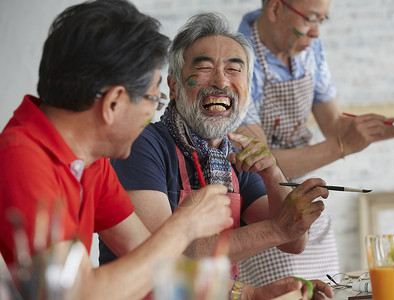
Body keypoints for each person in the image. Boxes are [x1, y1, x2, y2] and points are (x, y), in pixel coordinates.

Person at [0, 1, 235, 299]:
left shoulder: (90, 160)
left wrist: (246, 294)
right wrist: (184, 227)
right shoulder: (21, 159)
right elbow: (75, 294)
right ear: (114, 103)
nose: (154, 111)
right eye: (154, 99)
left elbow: (151, 261)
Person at [99, 12, 334, 299]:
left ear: (248, 89)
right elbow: (166, 255)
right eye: (206, 67)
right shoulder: (143, 145)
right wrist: (276, 230)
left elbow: (293, 242)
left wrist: (272, 171)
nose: (221, 82)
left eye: (234, 70)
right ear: (173, 87)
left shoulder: (234, 154)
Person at [235, 0, 394, 286]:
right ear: (275, 9)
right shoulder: (238, 60)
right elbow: (260, 161)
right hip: (265, 203)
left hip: (308, 199)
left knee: (327, 290)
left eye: (322, 21)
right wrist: (342, 146)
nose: (316, 34)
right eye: (311, 19)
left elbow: (335, 124)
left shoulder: (306, 47)